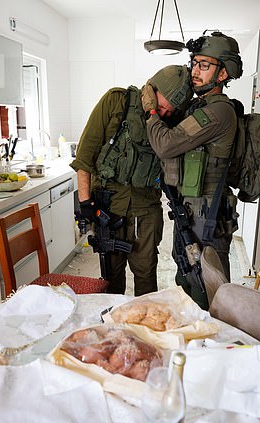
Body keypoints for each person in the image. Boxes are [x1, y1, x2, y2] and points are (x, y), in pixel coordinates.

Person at [70, 65, 194, 296]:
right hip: (109, 207)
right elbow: (85, 155)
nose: (166, 114)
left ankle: (145, 328)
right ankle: (112, 327)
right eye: (164, 106)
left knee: (146, 275)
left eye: (172, 110)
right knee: (111, 277)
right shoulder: (116, 102)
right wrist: (86, 203)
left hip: (146, 209)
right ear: (152, 90)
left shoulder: (170, 120)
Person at [144, 31, 243, 308]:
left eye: (205, 65)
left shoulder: (218, 111)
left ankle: (215, 343)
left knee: (210, 288)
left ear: (223, 74)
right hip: (190, 210)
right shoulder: (199, 105)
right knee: (187, 277)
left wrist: (152, 112)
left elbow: (165, 144)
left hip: (207, 216)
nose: (195, 72)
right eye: (195, 63)